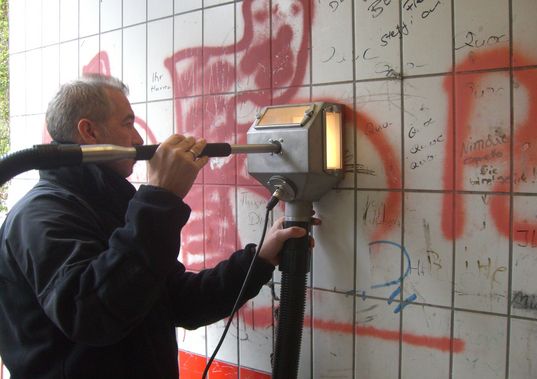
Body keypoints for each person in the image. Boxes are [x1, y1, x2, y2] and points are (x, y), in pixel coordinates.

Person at [0, 74, 315, 378]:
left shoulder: (115, 205)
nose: (138, 140)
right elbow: (93, 316)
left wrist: (259, 260)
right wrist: (161, 198)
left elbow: (179, 300)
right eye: (127, 124)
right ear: (89, 132)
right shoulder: (40, 216)